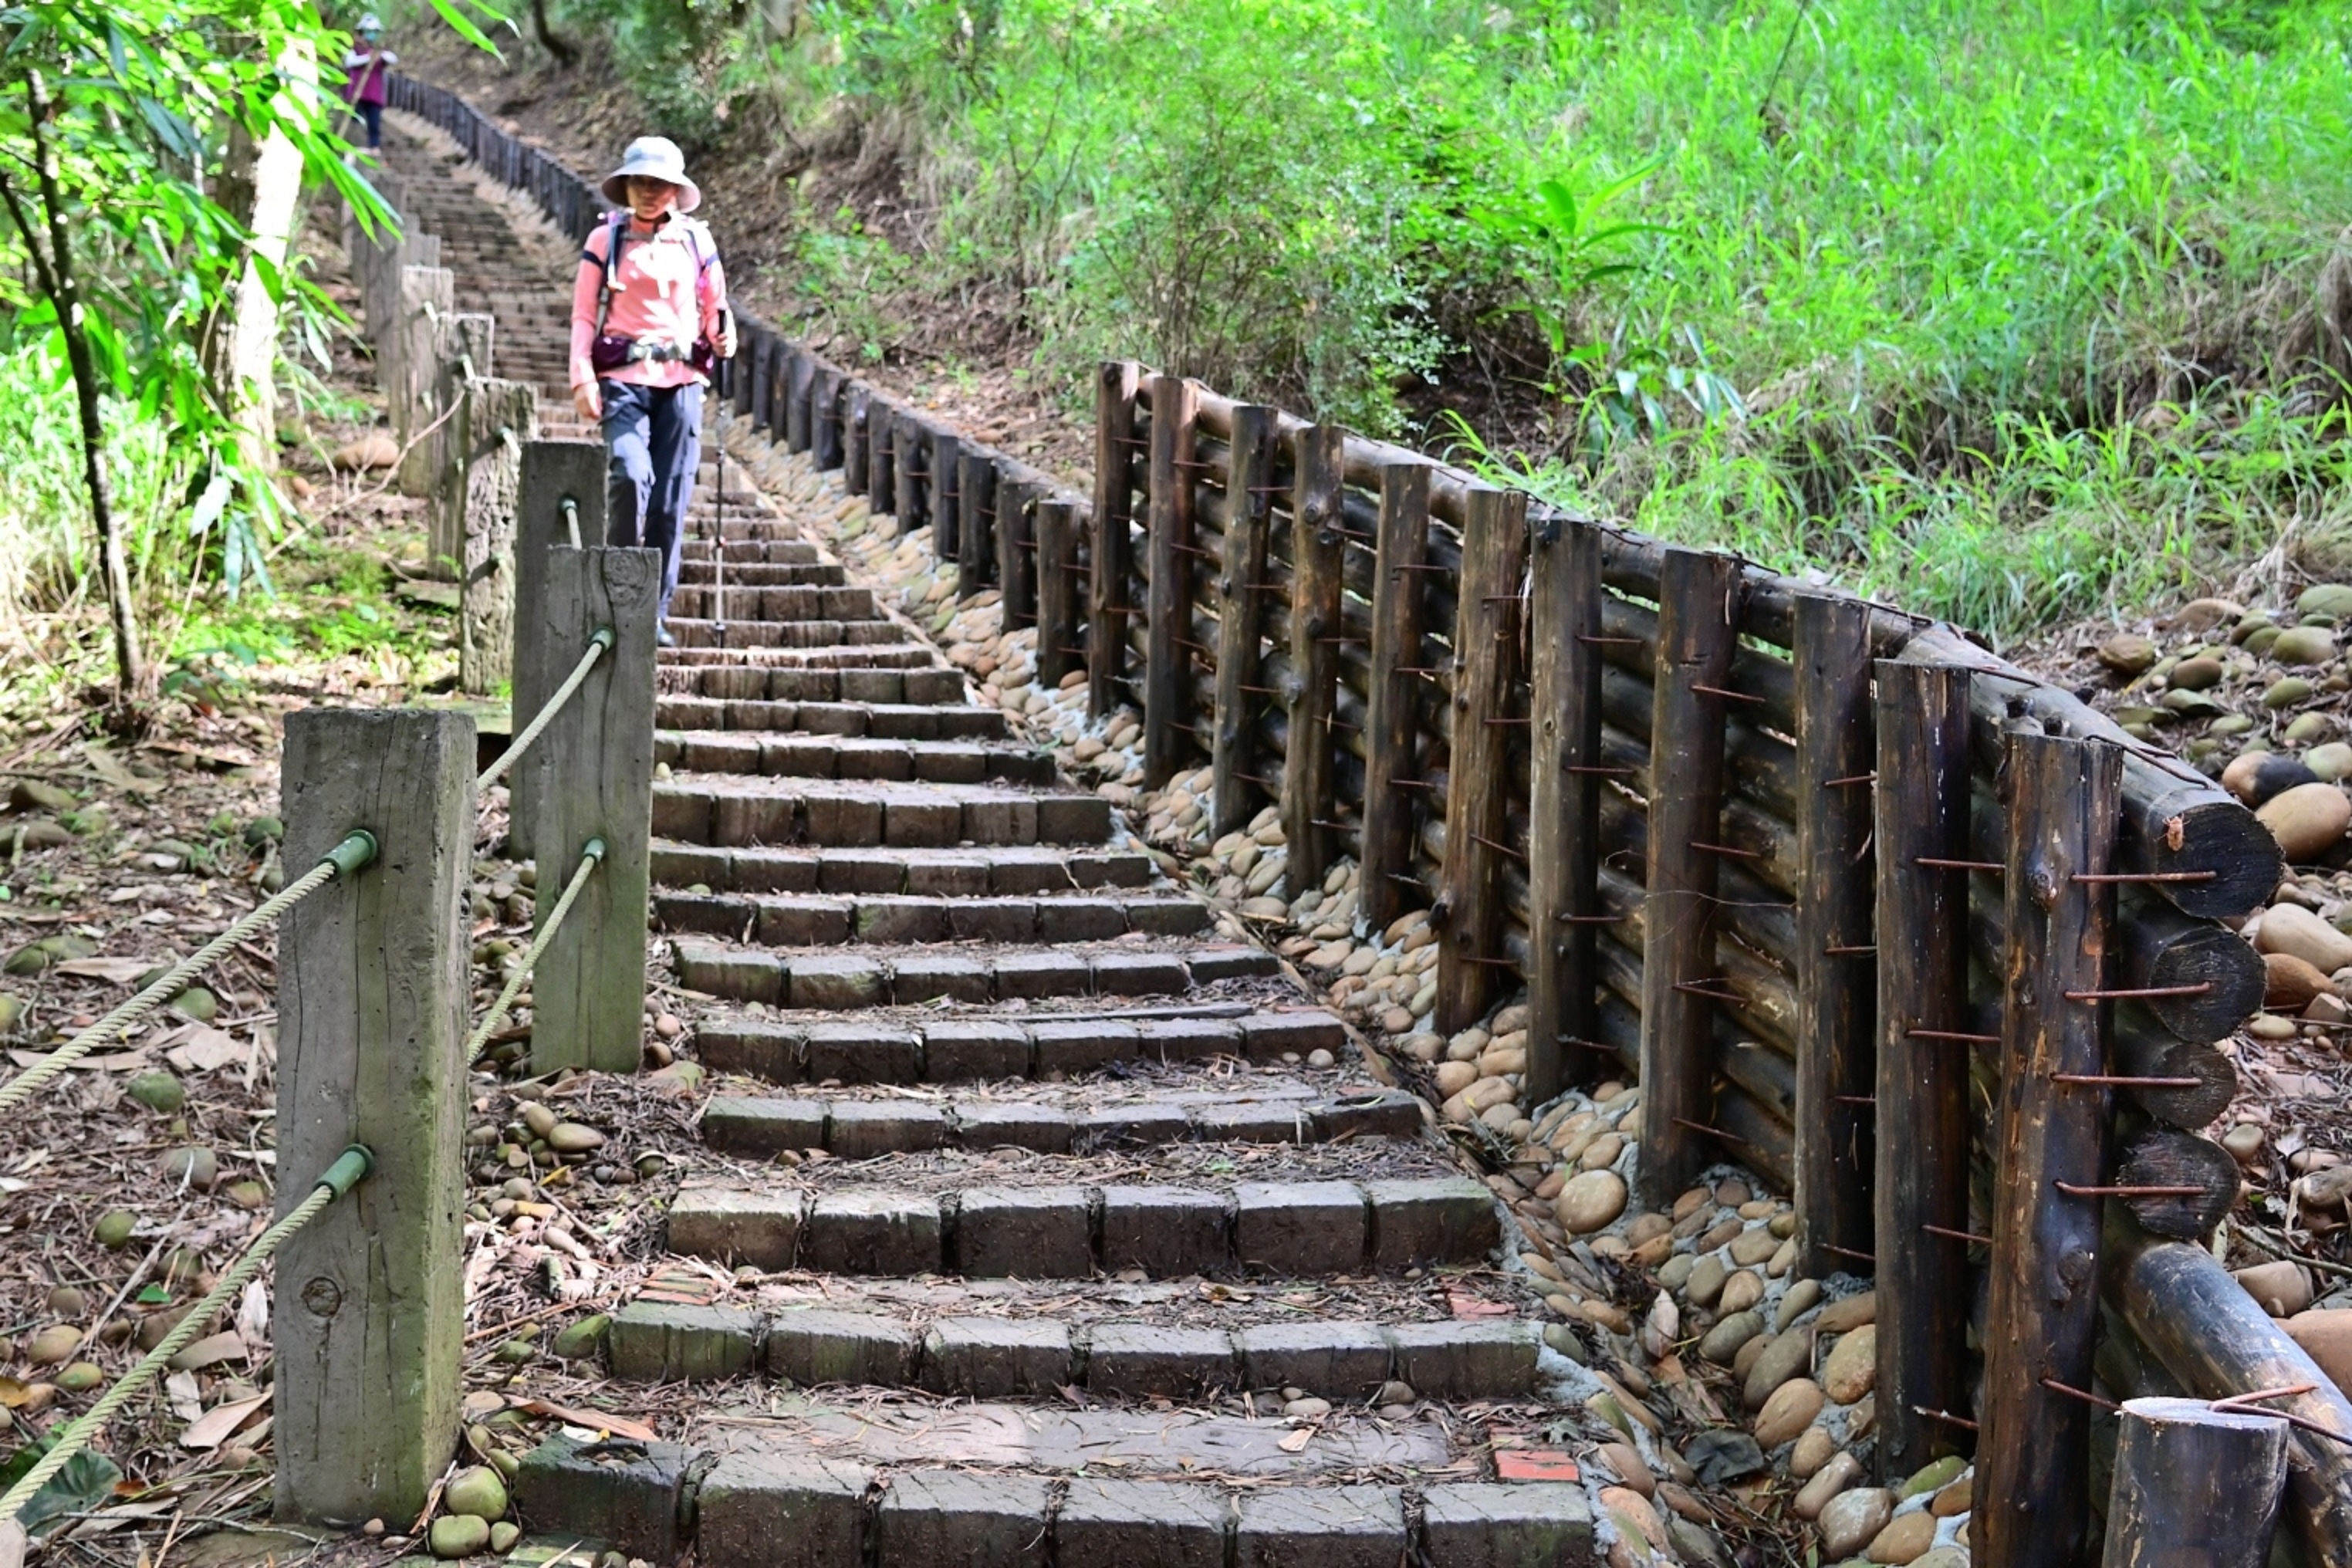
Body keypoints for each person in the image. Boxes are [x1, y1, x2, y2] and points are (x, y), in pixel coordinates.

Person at [569, 136, 735, 644]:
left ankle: (653, 613)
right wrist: (582, 376)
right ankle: (620, 598)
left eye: (659, 184)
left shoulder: (697, 243)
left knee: (669, 498)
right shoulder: (607, 239)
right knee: (629, 473)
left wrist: (724, 337)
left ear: (676, 190)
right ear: (626, 185)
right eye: (640, 182)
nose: (649, 192)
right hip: (623, 380)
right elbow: (583, 314)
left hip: (681, 384)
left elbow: (718, 311)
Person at [341, 14, 396, 150]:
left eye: (375, 32)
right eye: (369, 31)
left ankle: (374, 147)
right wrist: (368, 58)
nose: (372, 35)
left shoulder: (379, 53)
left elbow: (393, 59)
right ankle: (350, 145)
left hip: (374, 94)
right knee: (354, 121)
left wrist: (378, 56)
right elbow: (349, 62)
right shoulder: (355, 50)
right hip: (357, 93)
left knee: (374, 123)